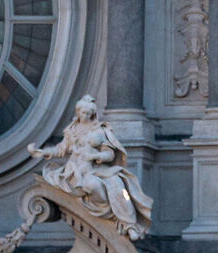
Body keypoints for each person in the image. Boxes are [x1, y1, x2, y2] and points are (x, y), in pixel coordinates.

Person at [28, 96, 154, 240]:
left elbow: (110, 154)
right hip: (76, 171)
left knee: (118, 185)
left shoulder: (100, 130)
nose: (86, 116)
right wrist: (42, 152)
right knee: (92, 185)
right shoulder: (72, 131)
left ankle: (129, 225)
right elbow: (61, 149)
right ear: (78, 112)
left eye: (89, 113)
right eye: (83, 113)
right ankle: (111, 214)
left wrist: (96, 156)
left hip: (99, 168)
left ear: (93, 114)